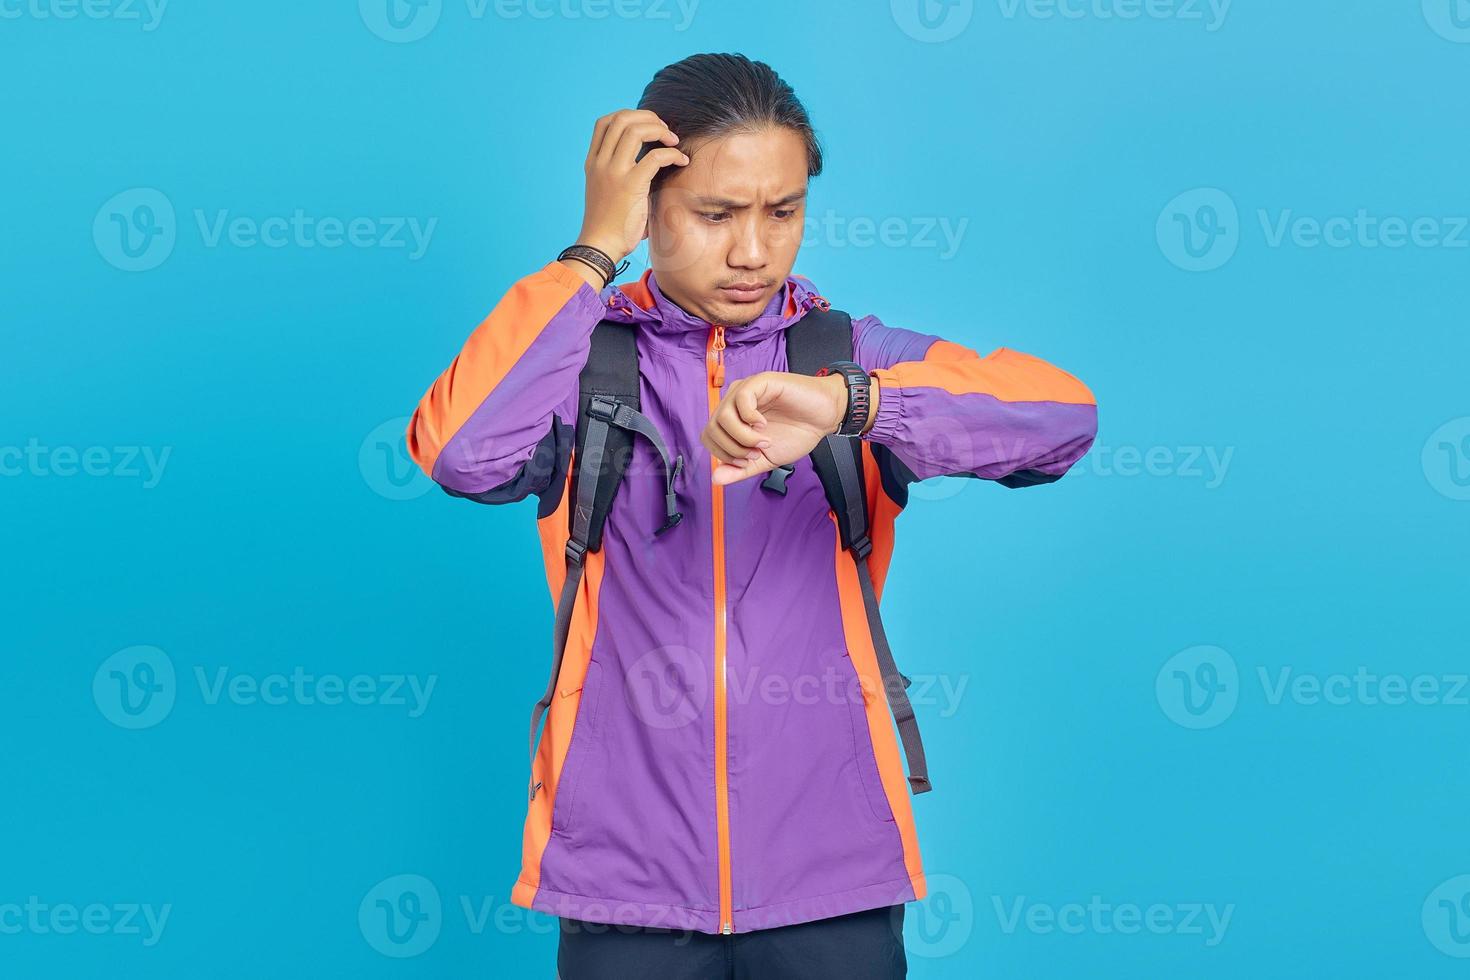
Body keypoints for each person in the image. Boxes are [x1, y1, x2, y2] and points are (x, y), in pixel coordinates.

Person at [407, 52, 1097, 980]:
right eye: (715, 213)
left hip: (834, 877)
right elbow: (460, 453)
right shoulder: (583, 364)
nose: (753, 251)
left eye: (783, 211)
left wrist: (855, 406)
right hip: (623, 881)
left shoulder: (849, 356)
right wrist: (588, 256)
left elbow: (1061, 421)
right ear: (647, 207)